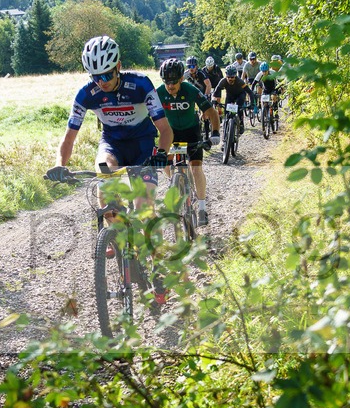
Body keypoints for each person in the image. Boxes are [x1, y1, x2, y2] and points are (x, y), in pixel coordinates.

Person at [46, 35, 173, 301]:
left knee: (145, 206)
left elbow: (164, 129)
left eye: (105, 74)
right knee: (105, 181)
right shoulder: (87, 94)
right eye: (95, 76)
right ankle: (115, 236)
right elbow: (69, 137)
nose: (101, 81)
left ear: (117, 67)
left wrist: (161, 154)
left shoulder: (140, 84)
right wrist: (60, 165)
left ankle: (159, 266)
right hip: (112, 143)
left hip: (142, 144)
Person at [155, 59, 220, 226]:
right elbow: (146, 116)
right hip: (171, 133)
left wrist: (215, 133)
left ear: (181, 79)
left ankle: (202, 207)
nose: (170, 86)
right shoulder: (159, 93)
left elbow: (211, 112)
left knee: (196, 168)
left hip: (192, 132)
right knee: (165, 163)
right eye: (167, 82)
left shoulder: (190, 90)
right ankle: (176, 182)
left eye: (174, 82)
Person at [212, 65, 253, 136]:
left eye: (232, 77)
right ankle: (225, 138)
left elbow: (250, 92)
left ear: (236, 76)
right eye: (228, 77)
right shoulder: (223, 81)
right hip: (230, 96)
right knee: (226, 114)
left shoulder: (239, 81)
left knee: (238, 108)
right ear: (226, 76)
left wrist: (252, 104)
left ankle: (241, 123)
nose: (230, 79)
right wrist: (213, 100)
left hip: (240, 95)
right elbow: (215, 93)